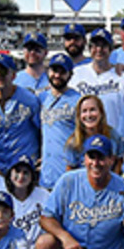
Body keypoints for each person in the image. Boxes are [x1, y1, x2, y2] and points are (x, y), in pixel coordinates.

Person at [69, 28, 124, 135]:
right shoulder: (76, 74)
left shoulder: (122, 76)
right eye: (95, 46)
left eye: (103, 46)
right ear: (89, 48)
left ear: (111, 49)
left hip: (115, 139)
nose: (99, 50)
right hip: (84, 140)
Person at [38, 53, 81, 190]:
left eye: (62, 72)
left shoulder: (78, 100)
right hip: (46, 175)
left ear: (70, 75)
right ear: (48, 71)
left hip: (69, 172)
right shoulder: (42, 98)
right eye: (54, 70)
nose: (57, 75)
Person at [65, 95, 124, 173]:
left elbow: (120, 162)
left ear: (101, 113)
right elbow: (70, 171)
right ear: (79, 116)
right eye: (84, 111)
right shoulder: (74, 142)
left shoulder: (113, 135)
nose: (89, 115)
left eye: (92, 110)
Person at [5, 154, 49, 249]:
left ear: (32, 176)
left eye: (25, 173)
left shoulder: (43, 194)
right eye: (17, 171)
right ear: (10, 173)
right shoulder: (4, 197)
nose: (21, 176)